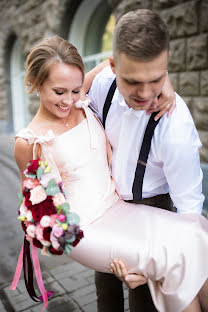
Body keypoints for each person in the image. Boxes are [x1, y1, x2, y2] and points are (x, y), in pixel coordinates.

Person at [13, 35, 208, 312]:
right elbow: (44, 218)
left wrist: (161, 79)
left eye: (75, 89)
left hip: (118, 208)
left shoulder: (82, 99)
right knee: (168, 256)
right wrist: (112, 256)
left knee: (197, 234)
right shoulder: (30, 142)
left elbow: (120, 62)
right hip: (85, 231)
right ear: (35, 83)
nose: (69, 99)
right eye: (59, 92)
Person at [85, 9, 205, 312]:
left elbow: (189, 217)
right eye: (133, 81)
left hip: (152, 214)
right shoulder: (102, 85)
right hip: (106, 209)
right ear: (112, 67)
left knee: (144, 302)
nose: (146, 93)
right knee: (105, 294)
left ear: (166, 68)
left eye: (156, 79)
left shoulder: (174, 128)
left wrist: (163, 255)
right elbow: (64, 93)